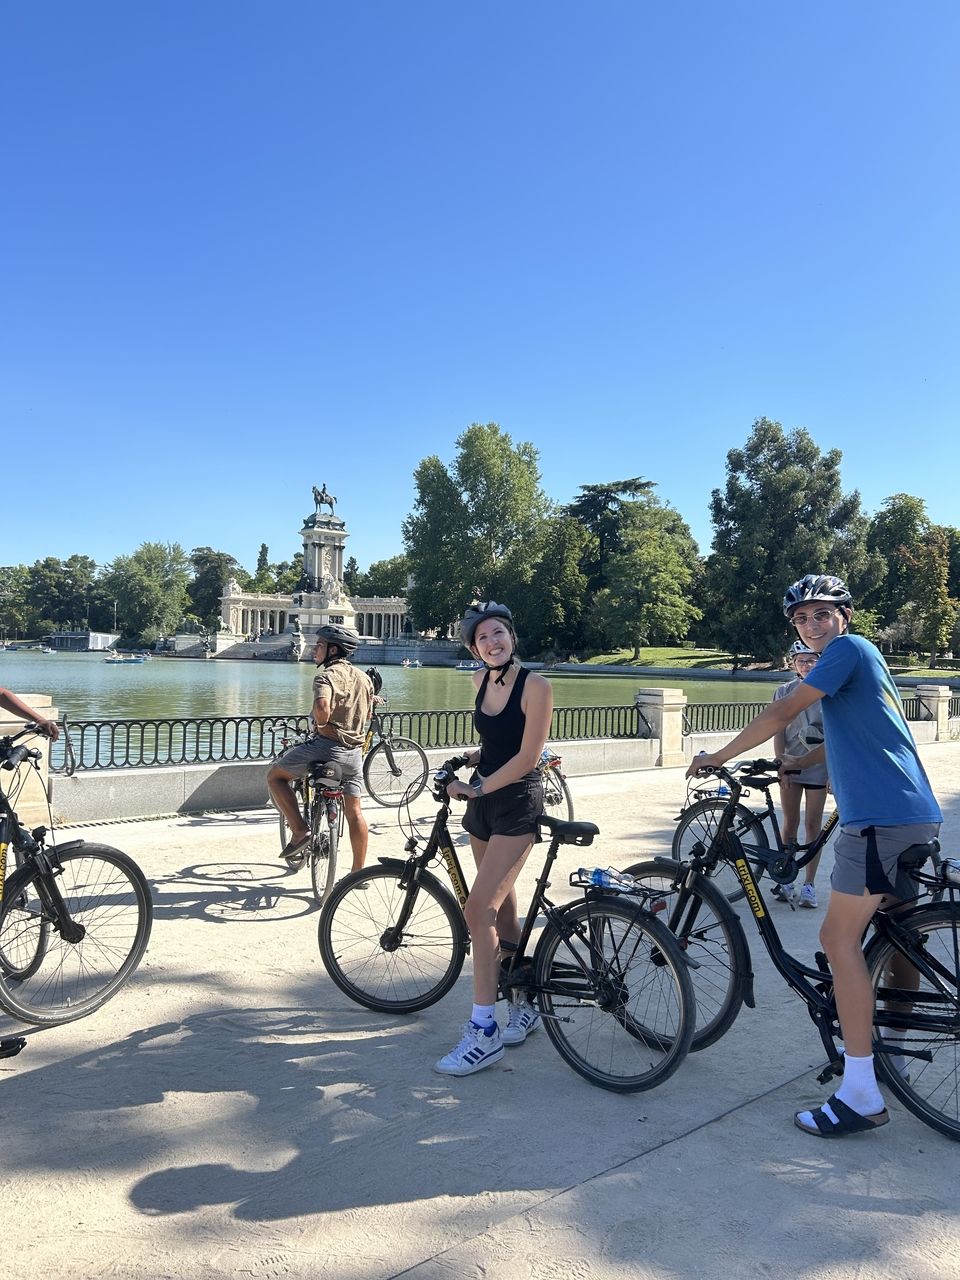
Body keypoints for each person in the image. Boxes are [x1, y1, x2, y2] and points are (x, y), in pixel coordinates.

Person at [688, 573, 941, 1139]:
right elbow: (849, 734)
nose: (811, 623)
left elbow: (782, 714)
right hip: (910, 812)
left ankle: (859, 1093)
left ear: (844, 616)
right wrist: (798, 767)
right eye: (801, 618)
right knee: (900, 932)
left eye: (821, 613)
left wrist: (717, 755)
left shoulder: (845, 649)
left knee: (836, 940)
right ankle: (891, 1053)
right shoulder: (861, 658)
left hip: (877, 818)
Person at [435, 601, 553, 1077]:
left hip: (516, 802)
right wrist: (468, 760)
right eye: (483, 637)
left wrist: (479, 785)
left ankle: (483, 1031)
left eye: (499, 632)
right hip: (482, 803)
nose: (492, 641)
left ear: (512, 636)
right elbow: (496, 742)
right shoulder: (479, 681)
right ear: (474, 647)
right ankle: (523, 999)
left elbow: (528, 755)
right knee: (501, 906)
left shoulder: (536, 685)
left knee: (477, 907)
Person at [267, 624, 374, 874]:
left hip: (326, 748)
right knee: (355, 812)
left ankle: (300, 830)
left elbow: (323, 711)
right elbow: (368, 713)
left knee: (275, 776)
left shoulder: (325, 677)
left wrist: (320, 720)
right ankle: (358, 872)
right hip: (353, 755)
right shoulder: (365, 679)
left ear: (333, 650)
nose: (315, 649)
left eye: (320, 645)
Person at [770, 640, 828, 909]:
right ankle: (786, 878)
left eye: (811, 660)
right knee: (790, 823)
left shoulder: (827, 693)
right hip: (791, 765)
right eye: (801, 661)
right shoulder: (784, 692)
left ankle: (809, 884)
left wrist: (833, 774)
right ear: (793, 663)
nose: (805, 665)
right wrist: (780, 762)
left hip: (818, 766)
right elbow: (777, 730)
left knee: (813, 826)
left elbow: (835, 737)